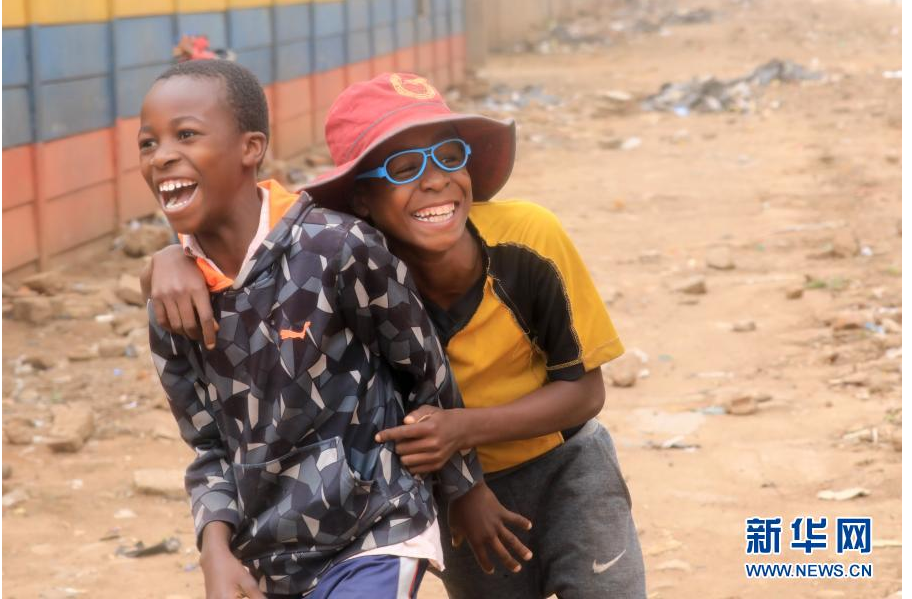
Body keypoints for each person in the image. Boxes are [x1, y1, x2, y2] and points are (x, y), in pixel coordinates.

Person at [146, 71, 646, 598]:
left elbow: (586, 393)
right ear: (363, 199)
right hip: (451, 491)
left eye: (449, 157)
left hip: (565, 466)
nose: (434, 180)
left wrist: (462, 431)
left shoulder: (526, 240)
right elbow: (254, 246)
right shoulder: (354, 266)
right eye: (404, 168)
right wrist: (170, 256)